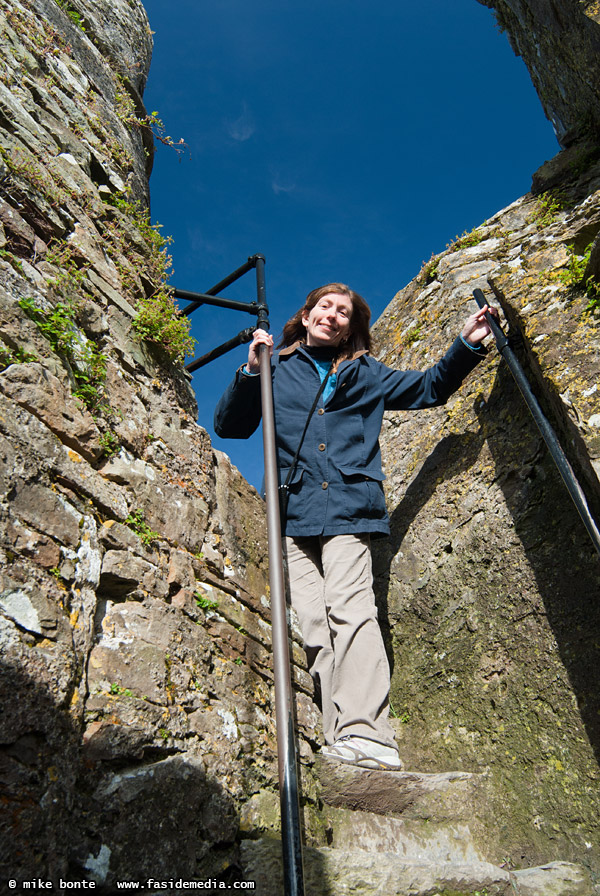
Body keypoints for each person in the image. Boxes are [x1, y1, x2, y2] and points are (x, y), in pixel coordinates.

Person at [214, 283, 494, 770]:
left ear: (351, 328)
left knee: (352, 610)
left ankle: (369, 733)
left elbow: (429, 387)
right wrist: (250, 371)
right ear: (305, 317)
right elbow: (231, 427)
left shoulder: (368, 373)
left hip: (348, 507)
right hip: (291, 516)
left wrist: (467, 342)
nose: (333, 315)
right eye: (325, 307)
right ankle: (335, 737)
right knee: (315, 627)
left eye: (344, 312)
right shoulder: (274, 367)